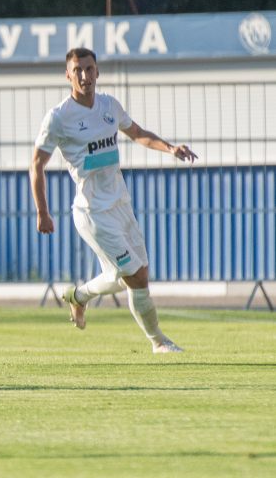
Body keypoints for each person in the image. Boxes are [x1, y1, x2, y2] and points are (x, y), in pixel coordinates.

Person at [29, 47, 197, 353]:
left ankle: (79, 296)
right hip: (93, 212)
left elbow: (138, 133)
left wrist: (170, 148)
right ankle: (159, 342)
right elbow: (36, 164)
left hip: (121, 204)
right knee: (135, 278)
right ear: (68, 75)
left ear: (97, 72)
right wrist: (43, 211)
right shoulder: (58, 117)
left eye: (89, 69)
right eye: (77, 70)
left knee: (129, 275)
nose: (84, 75)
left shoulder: (109, 105)